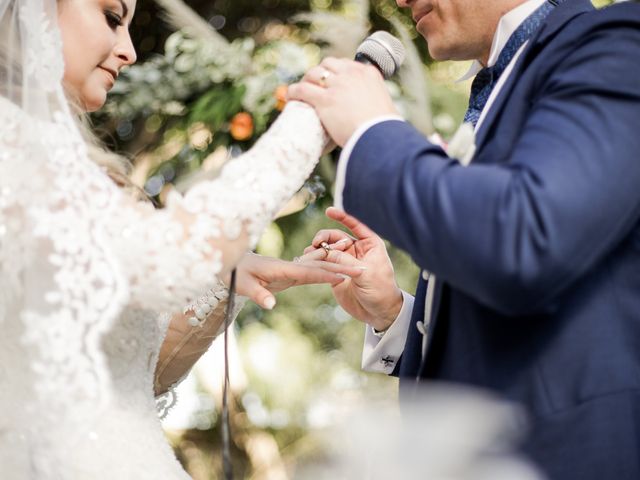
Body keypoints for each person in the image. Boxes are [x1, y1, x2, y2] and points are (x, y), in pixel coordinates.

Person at [0, 0, 362, 478]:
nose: (128, 50)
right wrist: (307, 127)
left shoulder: (67, 168)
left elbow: (127, 378)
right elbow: (168, 260)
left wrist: (220, 278)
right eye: (112, 17)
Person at [288, 0, 640, 478]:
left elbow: (526, 240)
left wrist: (373, 130)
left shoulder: (618, 40)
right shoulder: (499, 83)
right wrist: (395, 314)